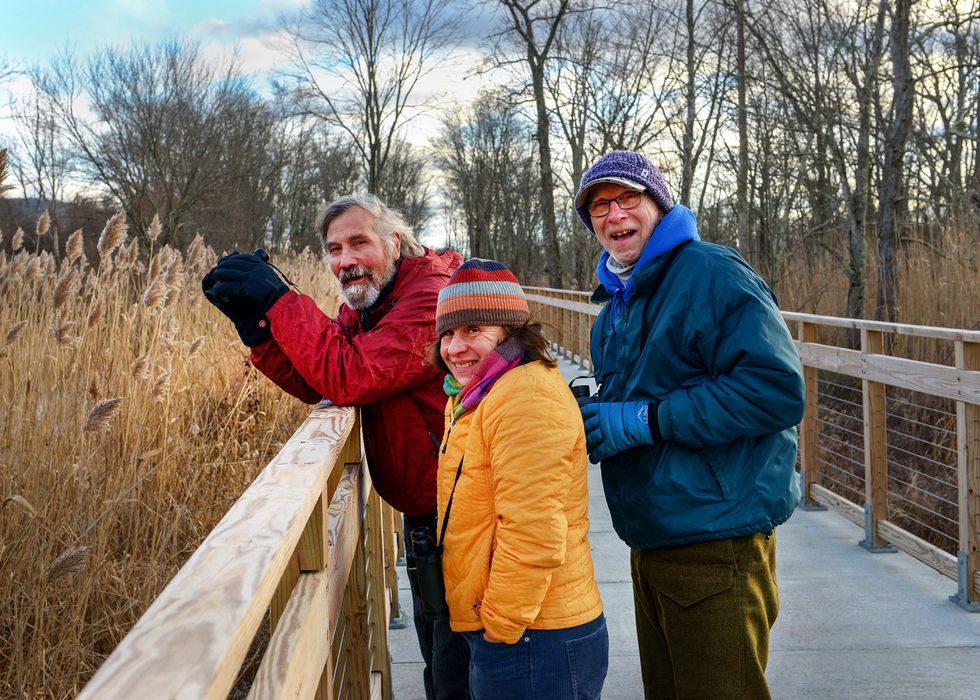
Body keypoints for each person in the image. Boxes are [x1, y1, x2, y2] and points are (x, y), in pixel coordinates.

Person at [201, 193, 470, 699]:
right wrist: (260, 331)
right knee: (439, 650)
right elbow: (321, 379)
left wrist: (281, 300)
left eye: (358, 243)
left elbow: (351, 375)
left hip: (466, 511)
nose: (345, 261)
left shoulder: (429, 296)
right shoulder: (374, 301)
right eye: (334, 249)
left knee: (460, 665)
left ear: (394, 242)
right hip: (430, 510)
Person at [573, 150, 805, 699]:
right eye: (599, 207)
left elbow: (774, 391)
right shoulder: (613, 307)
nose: (613, 215)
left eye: (627, 198)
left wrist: (646, 419)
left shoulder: (711, 272)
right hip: (653, 536)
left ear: (659, 203)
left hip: (716, 535)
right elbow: (645, 390)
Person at [428, 258, 608, 700]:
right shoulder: (478, 394)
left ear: (512, 333)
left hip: (535, 635)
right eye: (448, 334)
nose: (455, 347)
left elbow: (534, 531)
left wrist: (500, 628)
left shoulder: (524, 396)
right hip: (520, 629)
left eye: (474, 330)